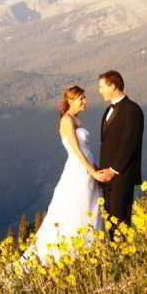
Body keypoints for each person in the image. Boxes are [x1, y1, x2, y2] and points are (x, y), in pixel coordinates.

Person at [20, 86, 107, 264]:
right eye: (81, 98)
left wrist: (96, 168)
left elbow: (85, 150)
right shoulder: (67, 120)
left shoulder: (76, 119)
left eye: (84, 98)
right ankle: (71, 251)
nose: (85, 101)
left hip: (86, 169)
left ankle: (87, 250)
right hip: (78, 172)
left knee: (88, 207)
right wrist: (92, 172)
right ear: (71, 100)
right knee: (77, 207)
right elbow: (75, 150)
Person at [96, 70, 144, 238]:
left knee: (120, 221)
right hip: (107, 178)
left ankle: (125, 257)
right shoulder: (108, 110)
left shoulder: (133, 110)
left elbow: (129, 144)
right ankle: (116, 257)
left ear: (113, 86)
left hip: (122, 175)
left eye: (102, 87)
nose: (99, 90)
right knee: (110, 221)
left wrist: (113, 170)